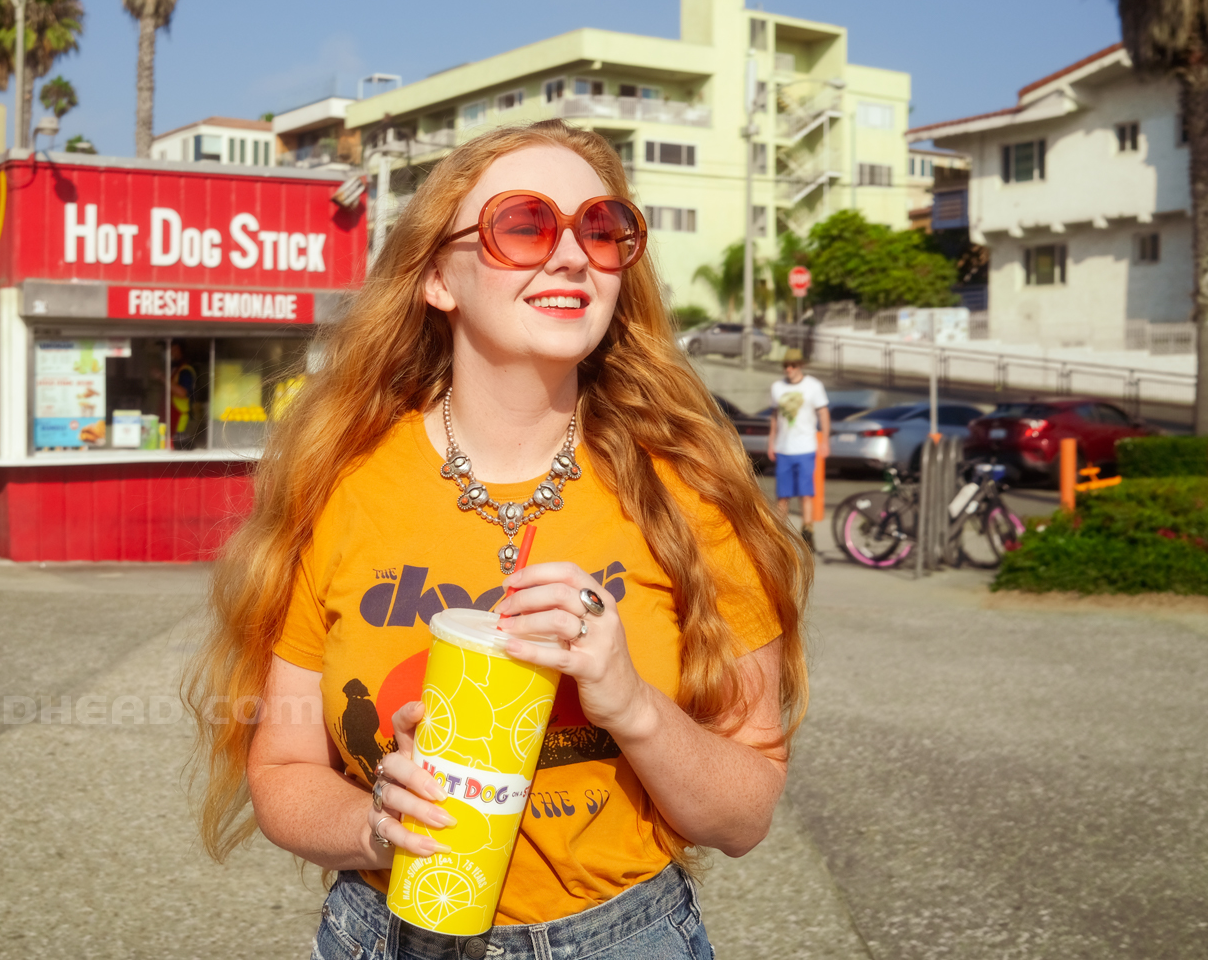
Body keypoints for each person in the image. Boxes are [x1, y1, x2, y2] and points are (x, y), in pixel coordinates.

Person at [188, 120, 810, 959]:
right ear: (438, 276)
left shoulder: (692, 493)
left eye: (601, 228)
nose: (571, 255)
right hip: (388, 933)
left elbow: (744, 814)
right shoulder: (344, 485)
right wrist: (376, 823)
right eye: (524, 225)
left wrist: (629, 701)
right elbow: (284, 772)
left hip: (625, 939)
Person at [766, 349, 829, 551]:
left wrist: (825, 440)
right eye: (786, 366)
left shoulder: (813, 386)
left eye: (792, 365)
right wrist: (771, 442)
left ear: (800, 365)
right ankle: (777, 536)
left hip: (805, 447)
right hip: (784, 447)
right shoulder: (777, 387)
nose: (789, 369)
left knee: (806, 493)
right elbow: (775, 416)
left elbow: (823, 413)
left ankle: (807, 533)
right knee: (782, 495)